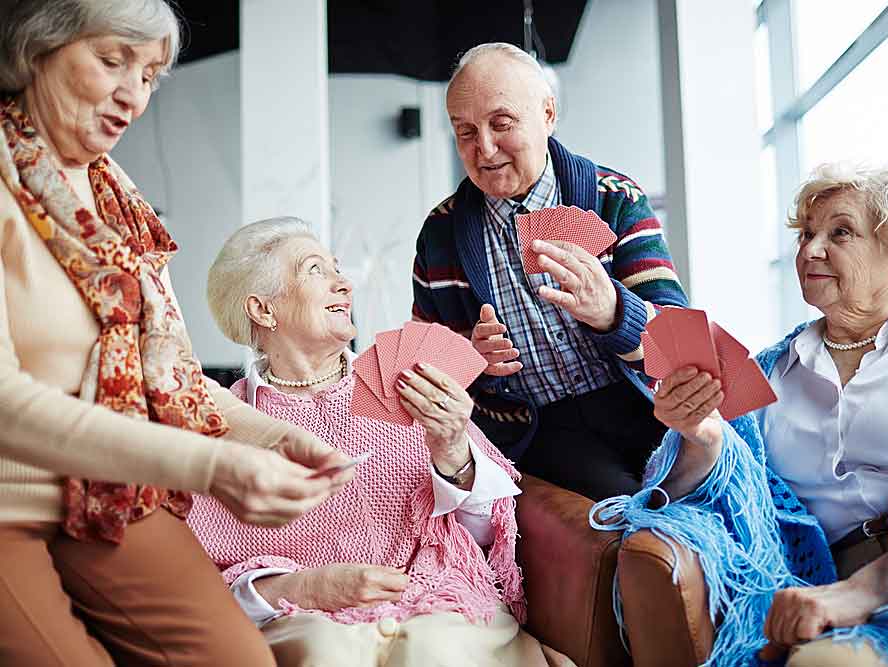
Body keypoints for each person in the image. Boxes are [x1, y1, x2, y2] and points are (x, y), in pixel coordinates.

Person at [0, 3, 354, 665]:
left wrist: (275, 437)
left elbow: (176, 378)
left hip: (109, 493)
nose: (133, 96)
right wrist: (211, 467)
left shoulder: (118, 198)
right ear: (37, 49)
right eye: (113, 62)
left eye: (150, 76)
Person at [592, 163, 888, 666]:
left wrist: (866, 590)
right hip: (815, 589)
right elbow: (701, 498)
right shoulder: (768, 373)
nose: (810, 251)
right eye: (806, 234)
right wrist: (702, 439)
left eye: (840, 233)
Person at [188, 217, 569, 667]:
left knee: (437, 650)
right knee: (323, 652)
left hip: (440, 600)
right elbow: (204, 584)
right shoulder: (221, 426)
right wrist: (306, 587)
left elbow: (486, 537)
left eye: (337, 268)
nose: (344, 283)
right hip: (304, 619)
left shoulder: (409, 380)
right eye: (315, 270)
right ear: (263, 309)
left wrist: (452, 450)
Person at [412, 42, 688, 500]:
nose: (485, 148)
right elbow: (426, 374)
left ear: (548, 114)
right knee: (635, 512)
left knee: (721, 485)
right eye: (465, 131)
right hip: (536, 434)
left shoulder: (614, 198)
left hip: (646, 405)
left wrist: (614, 312)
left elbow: (679, 345)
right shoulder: (439, 235)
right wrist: (471, 358)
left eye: (502, 124)